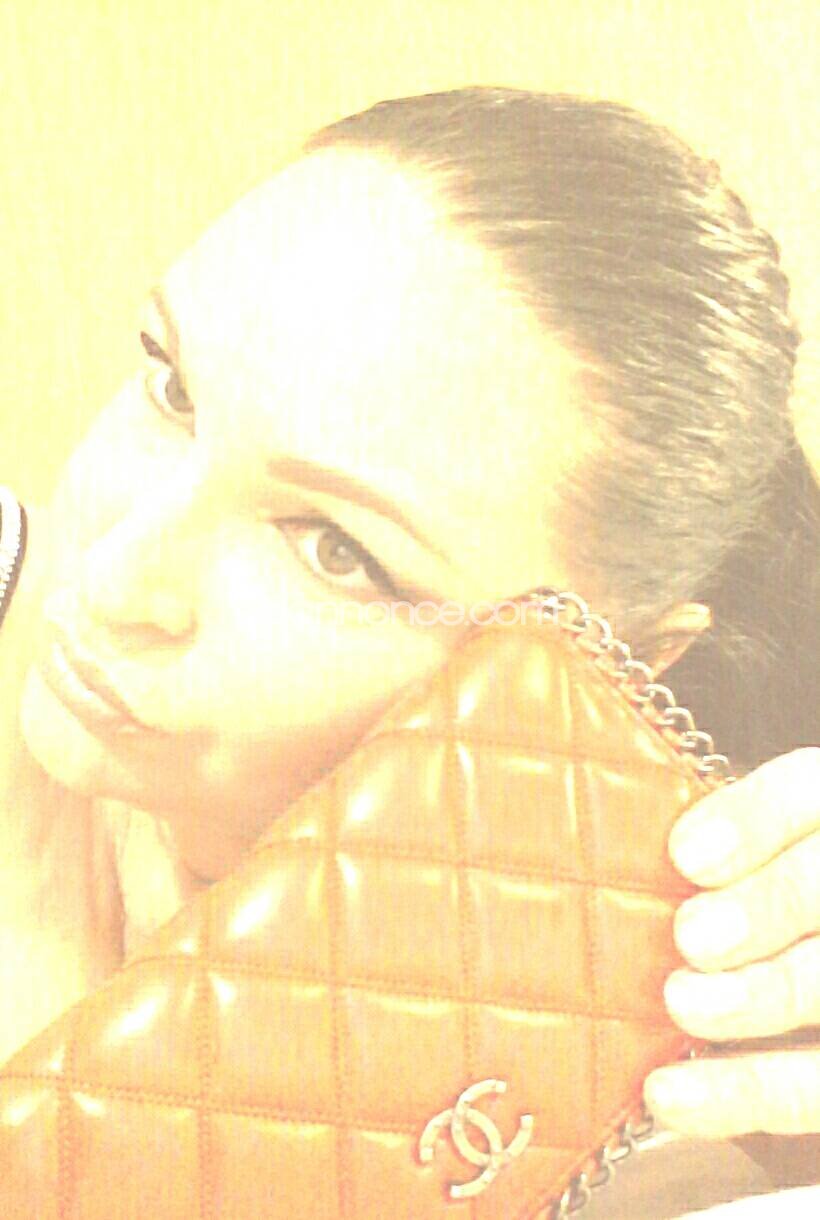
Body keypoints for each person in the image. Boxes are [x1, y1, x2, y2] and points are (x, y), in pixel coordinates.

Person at [0, 87, 817, 1215]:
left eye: (335, 550)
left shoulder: (671, 1152)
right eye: (172, 387)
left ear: (616, 674)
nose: (115, 576)